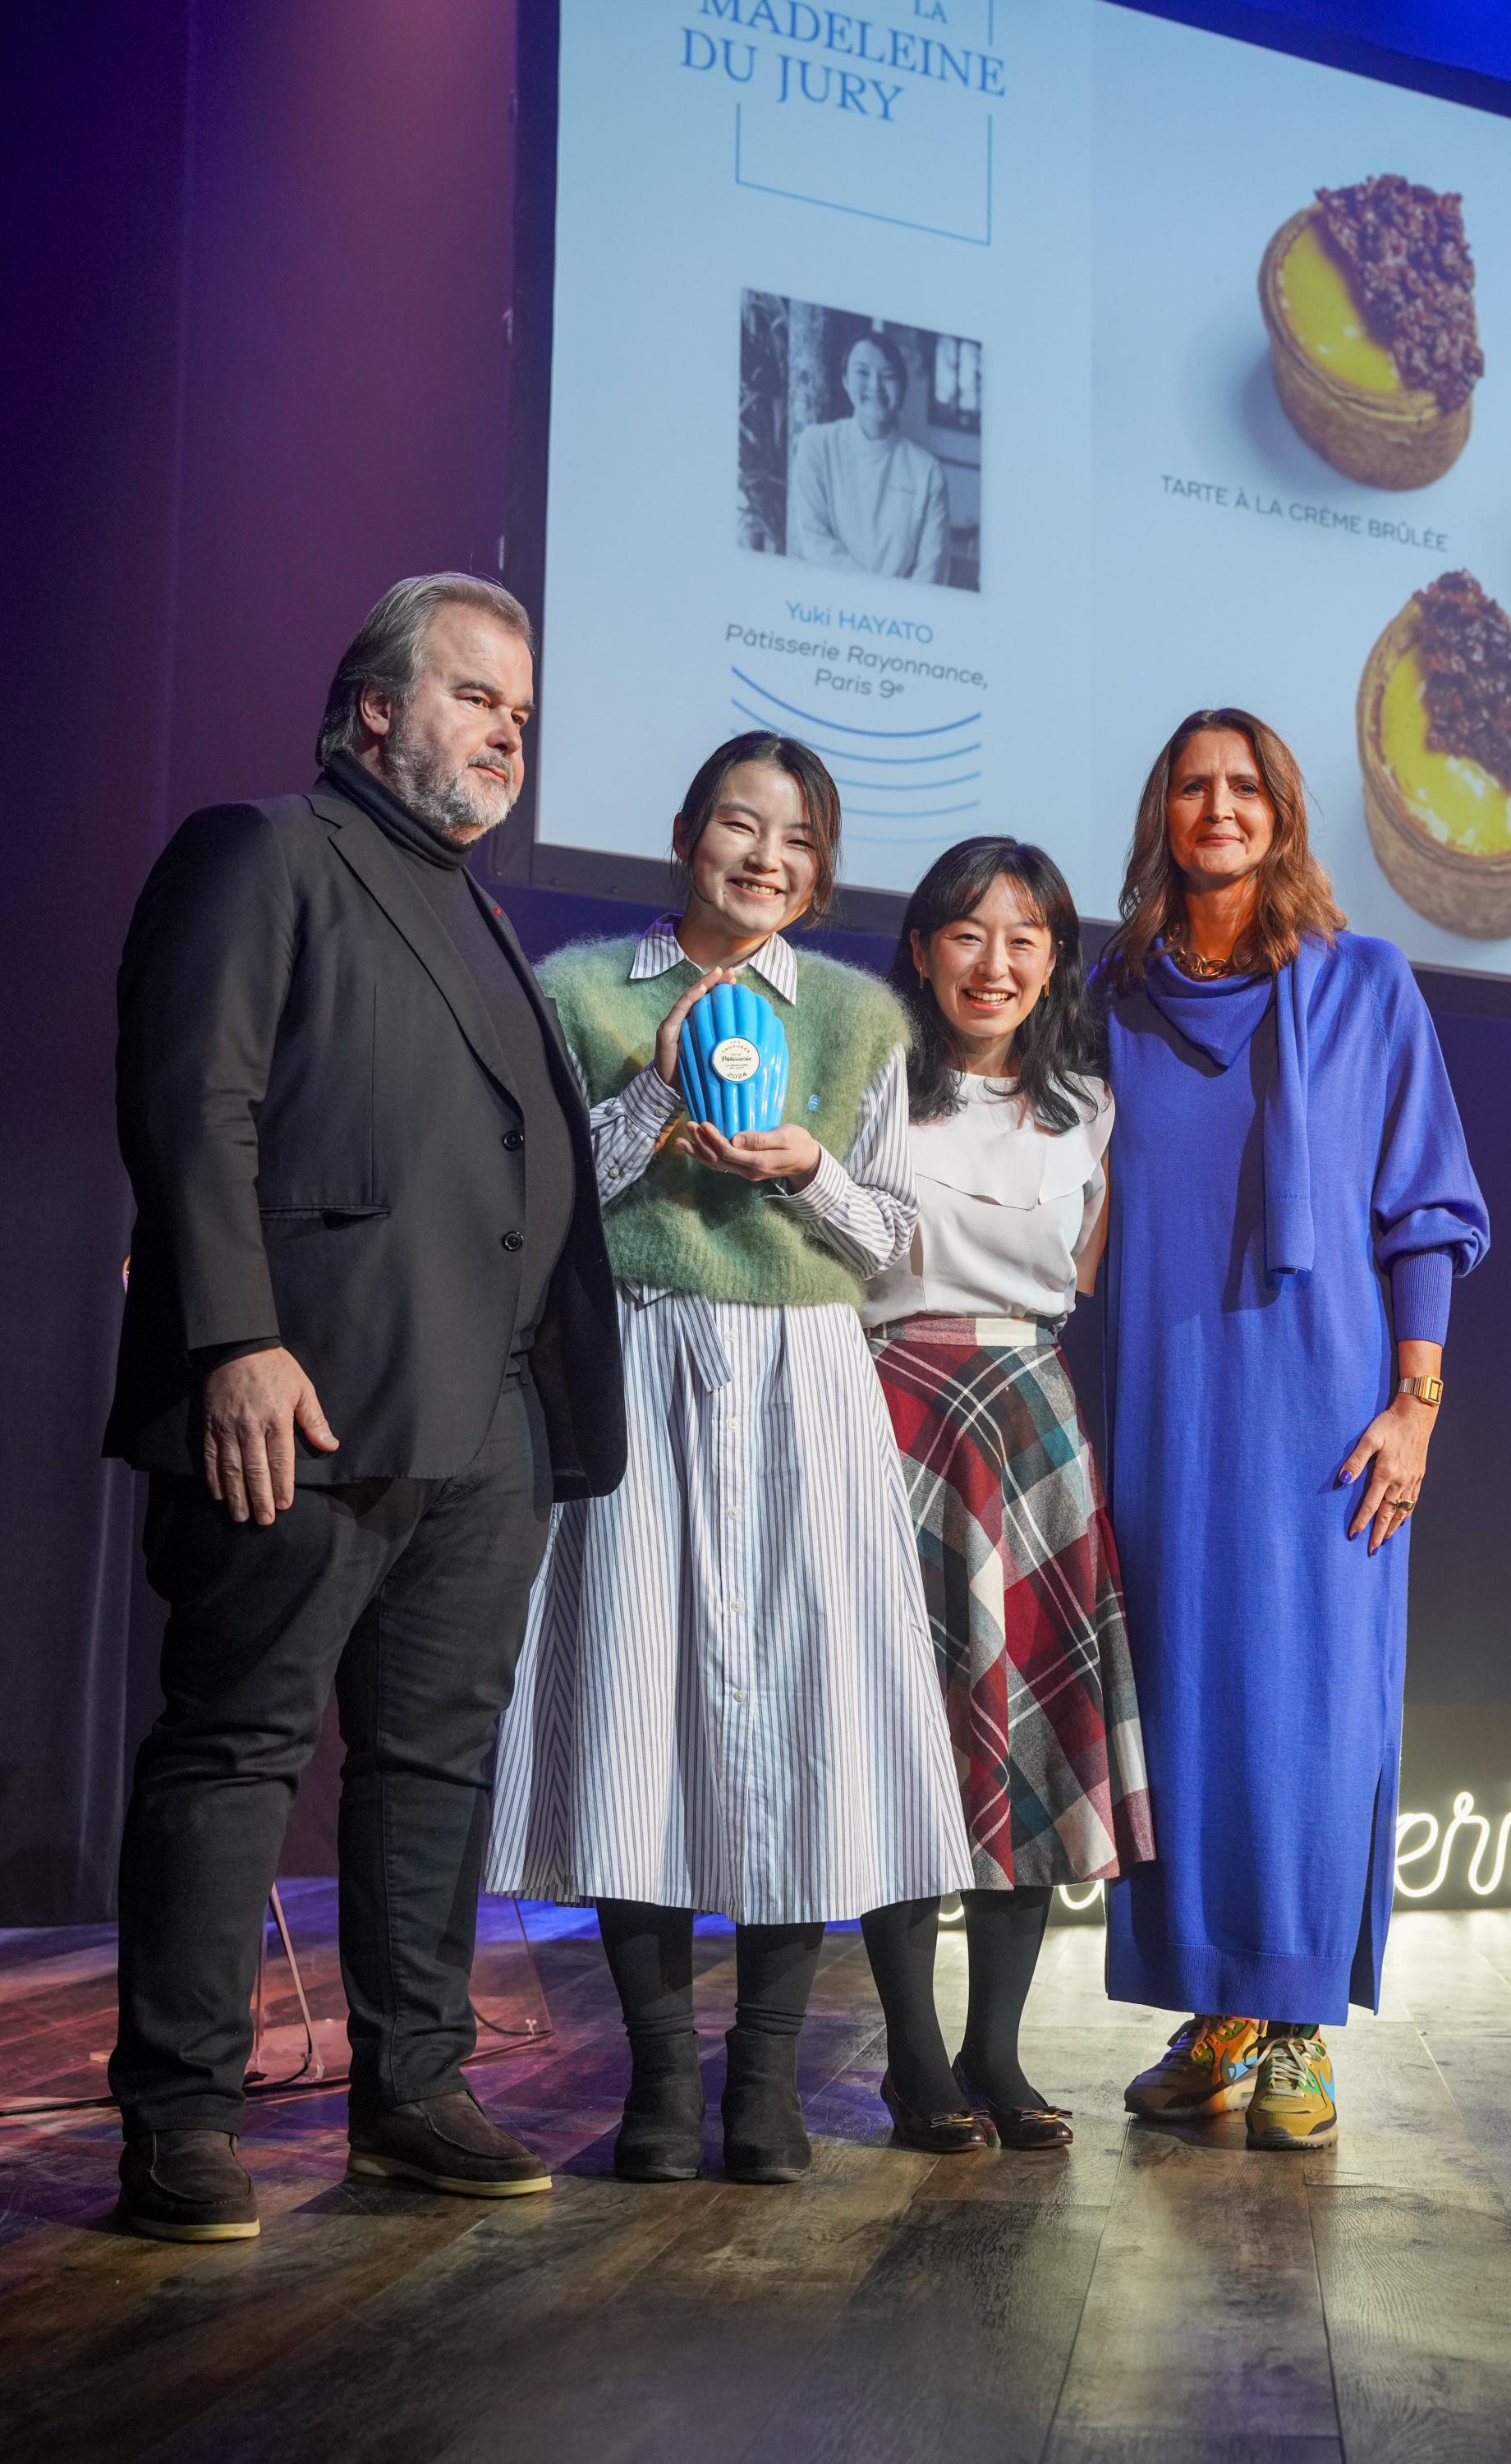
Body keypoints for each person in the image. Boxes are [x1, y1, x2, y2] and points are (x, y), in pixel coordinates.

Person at [103, 574, 625, 2241]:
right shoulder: (265, 852)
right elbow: (197, 1105)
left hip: (486, 1424)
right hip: (302, 1402)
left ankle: (412, 2092)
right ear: (376, 707)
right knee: (238, 1742)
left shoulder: (472, 910)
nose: (506, 734)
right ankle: (179, 2114)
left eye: (523, 716)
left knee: (435, 1763)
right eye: (478, 697)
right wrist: (231, 1338)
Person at [487, 729, 974, 2186]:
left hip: (803, 1373)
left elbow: (896, 1236)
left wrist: (807, 1167)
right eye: (739, 827)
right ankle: (652, 2086)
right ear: (686, 831)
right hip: (641, 1353)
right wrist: (655, 1108)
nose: (765, 858)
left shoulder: (852, 1013)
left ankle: (759, 2081)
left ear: (818, 871)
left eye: (796, 839)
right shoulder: (580, 989)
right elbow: (542, 1193)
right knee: (639, 1709)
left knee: (798, 1723)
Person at [1100, 709, 1488, 2151]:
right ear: (1163, 812)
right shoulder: (1114, 997)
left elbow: (1425, 1209)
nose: (1219, 805)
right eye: (1192, 783)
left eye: (1244, 785)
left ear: (1283, 812)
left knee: (1312, 1714)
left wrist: (1415, 1404)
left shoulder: (1366, 984)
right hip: (1166, 1404)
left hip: (1326, 1409)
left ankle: (1301, 2029)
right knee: (1187, 1708)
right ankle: (1218, 2013)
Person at [857, 839, 1154, 2154]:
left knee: (1026, 1740)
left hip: (1029, 1415)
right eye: (968, 934)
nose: (996, 962)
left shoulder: (1086, 1106)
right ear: (921, 949)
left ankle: (996, 2051)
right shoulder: (864, 1081)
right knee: (904, 1743)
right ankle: (914, 2062)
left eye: (1025, 937)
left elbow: (1077, 1275)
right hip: (885, 1407)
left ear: (1054, 964)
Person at [789, 331, 951, 585]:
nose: (875, 386)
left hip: (899, 617)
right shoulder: (817, 444)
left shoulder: (927, 472)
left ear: (902, 387)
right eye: (863, 373)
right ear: (844, 379)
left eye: (888, 376)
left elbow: (930, 573)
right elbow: (813, 538)